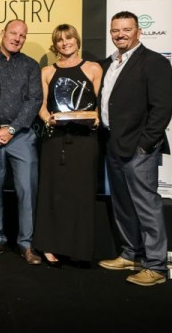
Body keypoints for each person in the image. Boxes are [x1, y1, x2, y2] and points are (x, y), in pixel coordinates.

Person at [98, 11, 172, 286]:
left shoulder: (153, 62)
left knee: (147, 205)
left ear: (138, 31)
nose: (120, 34)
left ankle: (155, 266)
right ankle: (131, 253)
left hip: (139, 149)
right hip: (113, 145)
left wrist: (145, 145)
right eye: (115, 30)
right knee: (123, 204)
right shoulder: (108, 64)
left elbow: (163, 107)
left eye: (126, 29)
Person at [33, 24, 101, 267]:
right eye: (60, 40)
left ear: (77, 40)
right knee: (53, 193)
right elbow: (41, 105)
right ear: (55, 44)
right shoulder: (47, 71)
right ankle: (49, 247)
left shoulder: (93, 68)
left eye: (69, 38)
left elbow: (98, 105)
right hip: (54, 140)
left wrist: (96, 119)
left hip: (84, 142)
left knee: (80, 194)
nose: (65, 43)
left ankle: (79, 249)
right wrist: (47, 119)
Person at [0, 19, 43, 264]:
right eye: (13, 33)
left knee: (27, 190)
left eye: (22, 35)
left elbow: (34, 99)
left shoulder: (31, 65)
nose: (17, 38)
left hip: (21, 137)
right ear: (2, 33)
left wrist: (12, 128)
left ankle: (26, 244)